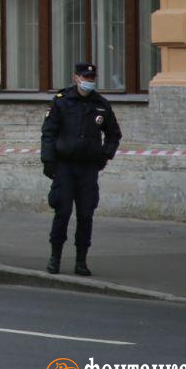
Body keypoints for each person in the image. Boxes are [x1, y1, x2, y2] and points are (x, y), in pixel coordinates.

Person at [40, 62, 122, 277]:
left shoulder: (101, 105)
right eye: (85, 77)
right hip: (65, 166)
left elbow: (114, 134)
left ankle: (81, 261)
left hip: (88, 168)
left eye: (92, 78)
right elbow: (48, 132)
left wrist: (105, 155)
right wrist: (48, 161)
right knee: (63, 212)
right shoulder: (62, 101)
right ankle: (55, 258)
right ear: (76, 77)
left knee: (86, 215)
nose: (89, 81)